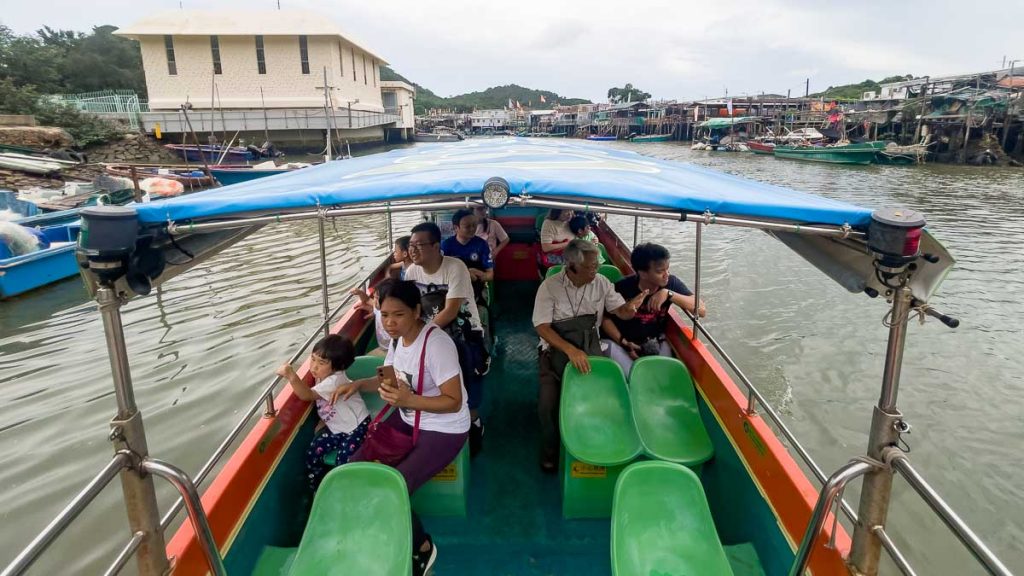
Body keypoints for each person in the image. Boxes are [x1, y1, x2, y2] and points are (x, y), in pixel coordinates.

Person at [335, 281, 469, 576]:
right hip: (410, 418)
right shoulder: (398, 341)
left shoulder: (436, 344)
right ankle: (378, 525)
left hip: (445, 427)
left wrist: (410, 399)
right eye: (384, 315)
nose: (390, 323)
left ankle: (422, 548)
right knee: (356, 466)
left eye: (398, 315)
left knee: (396, 484)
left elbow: (454, 402)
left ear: (417, 311)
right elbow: (393, 379)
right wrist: (359, 384)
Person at [532, 239, 648, 472]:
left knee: (599, 402)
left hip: (591, 348)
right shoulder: (550, 286)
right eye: (591, 266)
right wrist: (570, 349)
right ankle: (551, 453)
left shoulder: (602, 283)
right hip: (556, 349)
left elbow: (620, 312)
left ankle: (592, 446)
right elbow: (542, 326)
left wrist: (630, 309)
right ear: (572, 266)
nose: (597, 269)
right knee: (548, 406)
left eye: (597, 264)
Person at [403, 222, 488, 455]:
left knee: (468, 389)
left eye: (419, 245)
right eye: (410, 246)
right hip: (430, 335)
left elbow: (451, 311)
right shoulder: (412, 272)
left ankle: (473, 425)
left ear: (436, 246)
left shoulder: (455, 267)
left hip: (463, 331)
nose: (413, 251)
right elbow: (410, 308)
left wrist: (421, 337)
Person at [276, 334, 369, 491]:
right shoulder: (322, 375)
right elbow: (327, 403)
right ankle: (318, 488)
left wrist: (291, 375)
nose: (314, 367)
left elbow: (306, 395)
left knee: (344, 461)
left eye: (322, 363)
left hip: (357, 427)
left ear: (338, 366)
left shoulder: (334, 380)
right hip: (338, 427)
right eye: (312, 359)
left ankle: (346, 489)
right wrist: (325, 420)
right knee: (313, 451)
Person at [600, 243, 706, 376]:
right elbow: (604, 319)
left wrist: (669, 294)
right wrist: (624, 343)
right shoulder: (621, 288)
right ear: (642, 273)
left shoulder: (670, 283)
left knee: (664, 376)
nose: (666, 275)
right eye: (660, 271)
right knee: (633, 377)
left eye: (668, 269)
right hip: (622, 342)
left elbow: (701, 310)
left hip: (653, 342)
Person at [441, 209, 493, 304]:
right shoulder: (446, 245)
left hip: (476, 290)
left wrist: (478, 275)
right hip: (452, 290)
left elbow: (490, 275)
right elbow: (441, 272)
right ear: (456, 228)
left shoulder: (481, 244)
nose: (472, 229)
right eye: (467, 226)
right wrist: (465, 273)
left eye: (474, 225)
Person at [350, 279, 395, 356]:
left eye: (377, 298)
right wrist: (360, 293)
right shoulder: (377, 307)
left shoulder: (392, 318)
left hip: (391, 349)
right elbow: (367, 299)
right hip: (383, 347)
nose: (374, 301)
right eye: (374, 297)